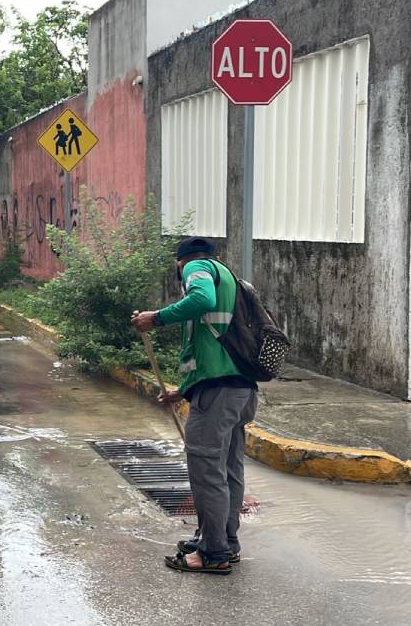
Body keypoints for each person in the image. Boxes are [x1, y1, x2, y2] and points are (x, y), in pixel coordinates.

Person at [130, 237, 257, 575]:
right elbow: (212, 349)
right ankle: (225, 543)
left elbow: (201, 298)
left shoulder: (196, 268)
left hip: (218, 395)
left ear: (180, 262)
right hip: (238, 389)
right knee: (229, 469)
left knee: (207, 472)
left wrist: (155, 318)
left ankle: (213, 552)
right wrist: (182, 390)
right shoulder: (228, 275)